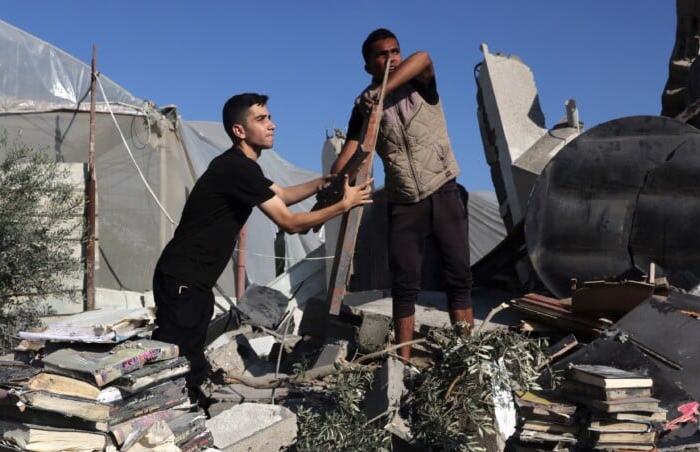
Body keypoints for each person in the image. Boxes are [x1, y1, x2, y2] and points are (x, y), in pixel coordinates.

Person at [152, 93, 373, 405]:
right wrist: (344, 204)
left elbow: (281, 194)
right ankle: (160, 417)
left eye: (269, 117)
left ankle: (191, 410)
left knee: (189, 355)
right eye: (261, 119)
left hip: (192, 279)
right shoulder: (236, 169)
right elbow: (290, 222)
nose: (272, 125)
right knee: (174, 358)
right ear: (239, 131)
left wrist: (321, 183)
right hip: (182, 278)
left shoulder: (242, 167)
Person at [331, 28, 474, 361]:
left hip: (443, 188)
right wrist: (331, 187)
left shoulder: (418, 82)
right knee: (405, 285)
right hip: (403, 201)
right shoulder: (362, 109)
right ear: (368, 66)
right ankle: (403, 361)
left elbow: (423, 58)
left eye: (395, 51)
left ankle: (467, 356)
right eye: (382, 55)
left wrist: (381, 94)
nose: (391, 58)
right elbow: (348, 158)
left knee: (459, 277)